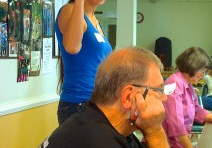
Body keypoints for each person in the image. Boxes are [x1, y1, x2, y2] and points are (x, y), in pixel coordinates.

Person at [38, 47, 170, 148]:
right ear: (129, 96)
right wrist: (155, 133)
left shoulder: (93, 120)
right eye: (159, 90)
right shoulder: (97, 140)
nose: (164, 98)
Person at [55, 0, 112, 125]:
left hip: (97, 104)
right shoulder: (70, 9)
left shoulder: (96, 22)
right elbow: (72, 47)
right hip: (78, 104)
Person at [162, 47, 212, 148]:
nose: (203, 75)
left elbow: (197, 110)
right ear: (192, 65)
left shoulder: (188, 85)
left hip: (179, 143)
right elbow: (176, 125)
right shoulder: (174, 83)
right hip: (167, 144)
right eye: (202, 71)